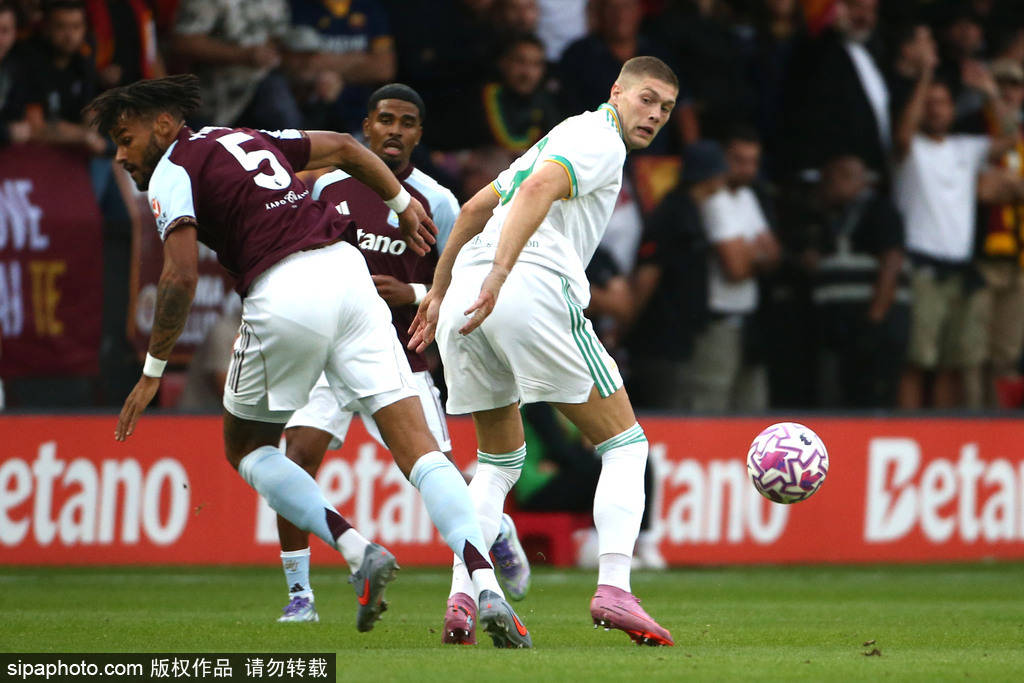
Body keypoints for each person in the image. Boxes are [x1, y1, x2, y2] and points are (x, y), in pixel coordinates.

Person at [88, 74, 531, 646]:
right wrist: (401, 204)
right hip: (349, 279)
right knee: (422, 454)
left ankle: (357, 548)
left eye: (126, 138)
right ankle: (485, 585)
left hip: (285, 291)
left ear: (165, 125)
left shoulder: (173, 170)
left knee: (248, 448)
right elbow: (344, 146)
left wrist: (152, 372)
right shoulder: (248, 137)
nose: (121, 155)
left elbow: (178, 275)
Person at [410, 56, 678, 647]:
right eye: (646, 99)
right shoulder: (600, 139)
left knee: (498, 462)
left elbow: (475, 208)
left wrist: (439, 291)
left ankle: (464, 594)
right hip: (522, 285)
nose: (655, 114)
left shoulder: (560, 135)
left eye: (665, 108)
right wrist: (500, 274)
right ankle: (615, 587)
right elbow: (536, 190)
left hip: (465, 300)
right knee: (626, 445)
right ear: (617, 92)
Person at [274, 83, 531, 629]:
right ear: (367, 126)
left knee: (434, 473)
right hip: (326, 350)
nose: (394, 130)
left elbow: (465, 279)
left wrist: (410, 294)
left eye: (406, 122)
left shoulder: (438, 202)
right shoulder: (325, 187)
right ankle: (300, 596)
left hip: (397, 357)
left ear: (419, 134)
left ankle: (496, 530)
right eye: (385, 119)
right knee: (296, 458)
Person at [893, 58, 1016, 409]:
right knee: (916, 361)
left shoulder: (966, 147)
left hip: (960, 270)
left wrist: (990, 93)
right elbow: (903, 133)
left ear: (953, 109)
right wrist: (926, 76)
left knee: (952, 365)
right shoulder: (910, 150)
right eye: (929, 104)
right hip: (921, 269)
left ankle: (941, 433)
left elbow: (1011, 139)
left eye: (943, 103)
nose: (936, 110)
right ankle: (909, 429)